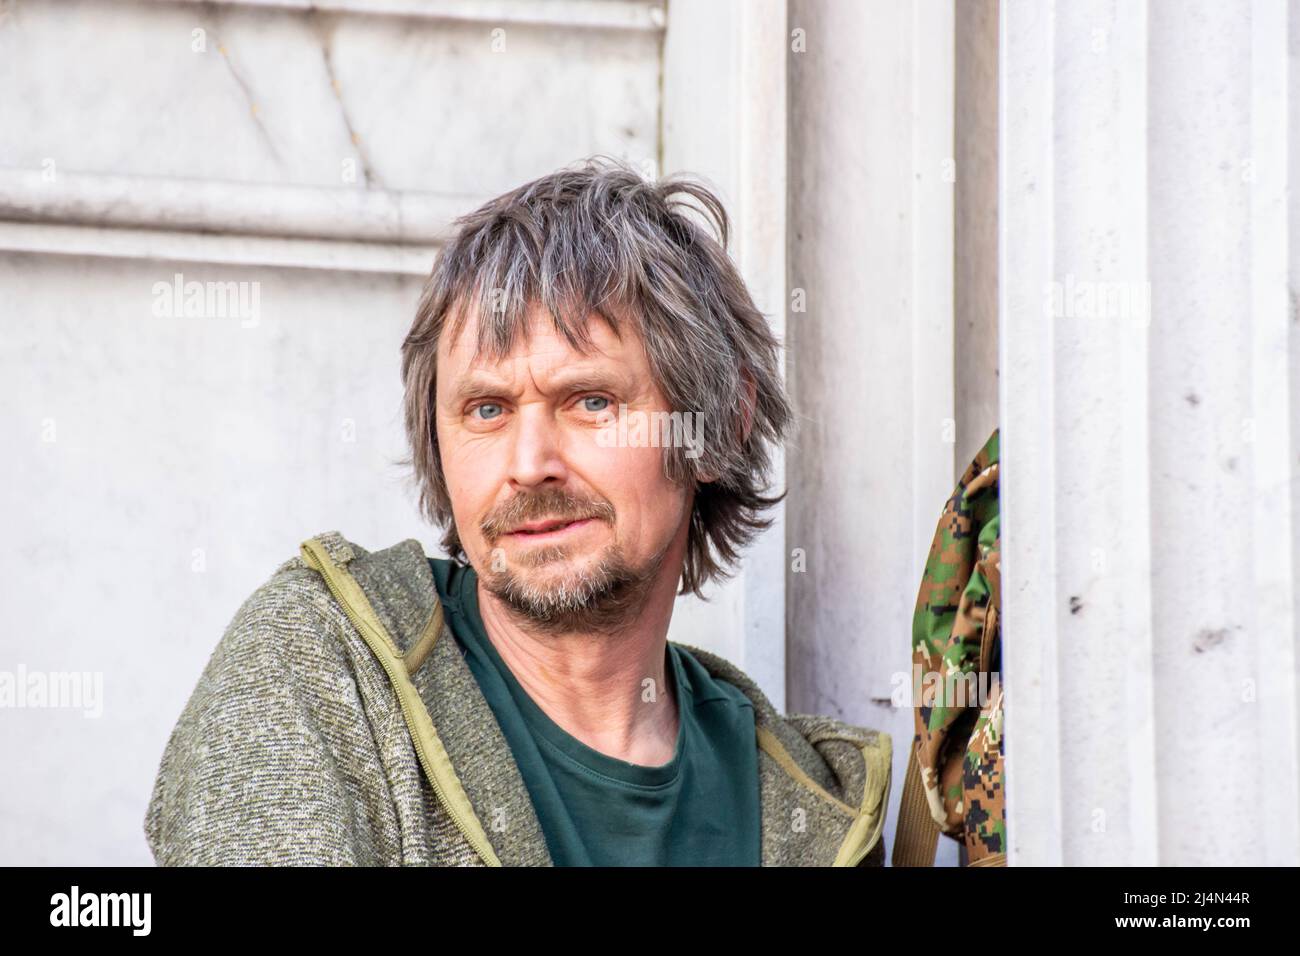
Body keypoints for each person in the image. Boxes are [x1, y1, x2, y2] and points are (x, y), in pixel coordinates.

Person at [144, 157, 890, 866]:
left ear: (718, 424)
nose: (529, 463)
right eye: (487, 409)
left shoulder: (817, 808)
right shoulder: (322, 667)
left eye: (590, 401)